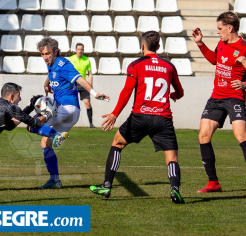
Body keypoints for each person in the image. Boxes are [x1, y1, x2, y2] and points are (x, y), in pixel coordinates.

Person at [89, 31, 186, 204]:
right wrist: (174, 95)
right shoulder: (169, 66)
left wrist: (115, 113)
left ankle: (106, 185)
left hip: (140, 116)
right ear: (159, 46)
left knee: (117, 143)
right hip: (163, 118)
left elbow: (127, 91)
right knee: (172, 158)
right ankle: (175, 190)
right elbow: (180, 92)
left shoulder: (135, 64)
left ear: (143, 46)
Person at [29, 37, 109, 189]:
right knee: (44, 142)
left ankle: (55, 135)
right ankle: (55, 180)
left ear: (55, 52)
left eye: (48, 53)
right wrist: (46, 84)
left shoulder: (63, 63)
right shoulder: (52, 64)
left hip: (67, 108)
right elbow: (51, 74)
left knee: (31, 124)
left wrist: (94, 93)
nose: (45, 57)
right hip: (68, 111)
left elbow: (79, 79)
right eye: (42, 54)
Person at [192, 11, 246, 193]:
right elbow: (214, 60)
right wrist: (200, 43)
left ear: (230, 28)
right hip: (216, 97)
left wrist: (244, 84)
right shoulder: (222, 43)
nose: (218, 32)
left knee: (241, 136)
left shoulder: (245, 48)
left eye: (220, 29)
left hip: (235, 98)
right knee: (203, 135)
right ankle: (213, 182)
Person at [68, 43, 96, 128]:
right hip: (73, 84)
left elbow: (90, 73)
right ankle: (68, 123)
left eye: (81, 49)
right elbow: (68, 72)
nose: (80, 51)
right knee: (71, 104)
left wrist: (90, 84)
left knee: (87, 103)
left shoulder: (86, 60)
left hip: (84, 84)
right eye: (78, 49)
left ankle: (91, 124)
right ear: (76, 50)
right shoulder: (70, 59)